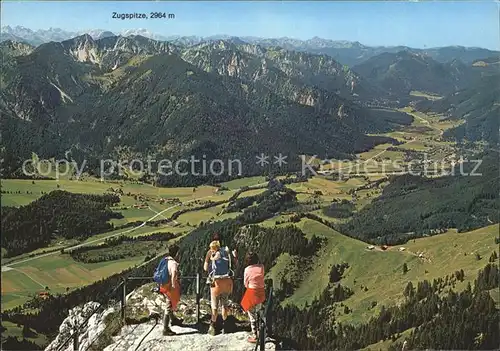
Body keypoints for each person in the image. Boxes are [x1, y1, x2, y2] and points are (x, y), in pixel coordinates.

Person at [203, 233, 237, 335]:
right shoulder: (227, 251)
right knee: (224, 305)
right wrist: (235, 256)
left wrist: (210, 265)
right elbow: (235, 264)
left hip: (215, 283)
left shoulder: (210, 252)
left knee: (214, 306)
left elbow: (205, 268)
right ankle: (225, 326)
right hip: (226, 281)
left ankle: (213, 327)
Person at [241, 252, 265, 343]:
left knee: (251, 314)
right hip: (261, 292)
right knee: (259, 311)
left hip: (252, 292)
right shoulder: (261, 267)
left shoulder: (247, 269)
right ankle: (261, 332)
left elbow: (245, 283)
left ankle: (255, 335)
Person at [159, 244, 183, 336]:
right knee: (168, 306)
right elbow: (174, 273)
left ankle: (174, 320)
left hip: (163, 285)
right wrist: (173, 285)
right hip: (169, 287)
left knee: (170, 302)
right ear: (176, 253)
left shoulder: (165, 260)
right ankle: (165, 328)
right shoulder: (173, 263)